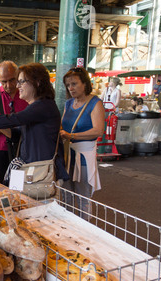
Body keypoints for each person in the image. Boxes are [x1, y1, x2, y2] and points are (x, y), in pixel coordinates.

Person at [0, 62, 68, 187]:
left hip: (42, 171)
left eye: (21, 81)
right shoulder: (34, 106)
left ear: (37, 82)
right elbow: (16, 134)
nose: (17, 86)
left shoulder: (43, 106)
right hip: (30, 168)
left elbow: (13, 119)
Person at [60, 67, 105, 219]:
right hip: (67, 154)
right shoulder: (68, 104)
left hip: (84, 156)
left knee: (83, 195)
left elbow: (98, 131)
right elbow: (62, 125)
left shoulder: (95, 103)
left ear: (85, 83)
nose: (70, 88)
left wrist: (72, 135)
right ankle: (68, 225)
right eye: (68, 85)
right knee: (66, 193)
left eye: (74, 84)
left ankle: (84, 228)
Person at [0, 60, 28, 182]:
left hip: (24, 149)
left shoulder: (26, 93)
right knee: (3, 185)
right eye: (4, 82)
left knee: (21, 186)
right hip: (1, 150)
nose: (9, 85)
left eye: (12, 80)